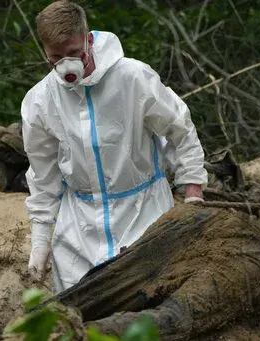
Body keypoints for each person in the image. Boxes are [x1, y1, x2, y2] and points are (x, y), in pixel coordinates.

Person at [21, 0, 208, 293]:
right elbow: (43, 174)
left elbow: (178, 128)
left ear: (89, 40)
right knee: (81, 317)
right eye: (56, 57)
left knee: (150, 306)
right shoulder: (40, 100)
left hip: (145, 215)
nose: (66, 64)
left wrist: (193, 188)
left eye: (73, 53)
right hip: (78, 230)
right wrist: (41, 240)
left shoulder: (133, 77)